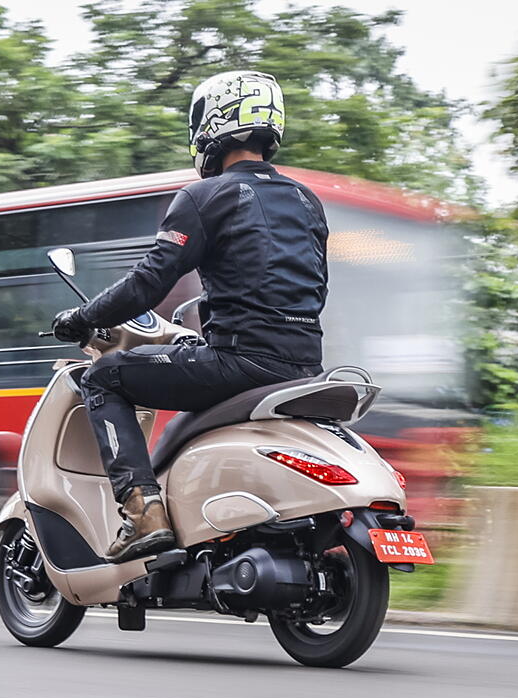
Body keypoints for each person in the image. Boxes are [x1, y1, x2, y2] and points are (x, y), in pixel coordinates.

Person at [51, 71, 330, 563]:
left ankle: (143, 514)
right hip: (304, 363)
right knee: (184, 355)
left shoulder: (203, 197)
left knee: (103, 378)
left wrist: (83, 316)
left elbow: (147, 284)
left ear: (213, 125)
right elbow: (311, 286)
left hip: (240, 362)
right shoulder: (308, 201)